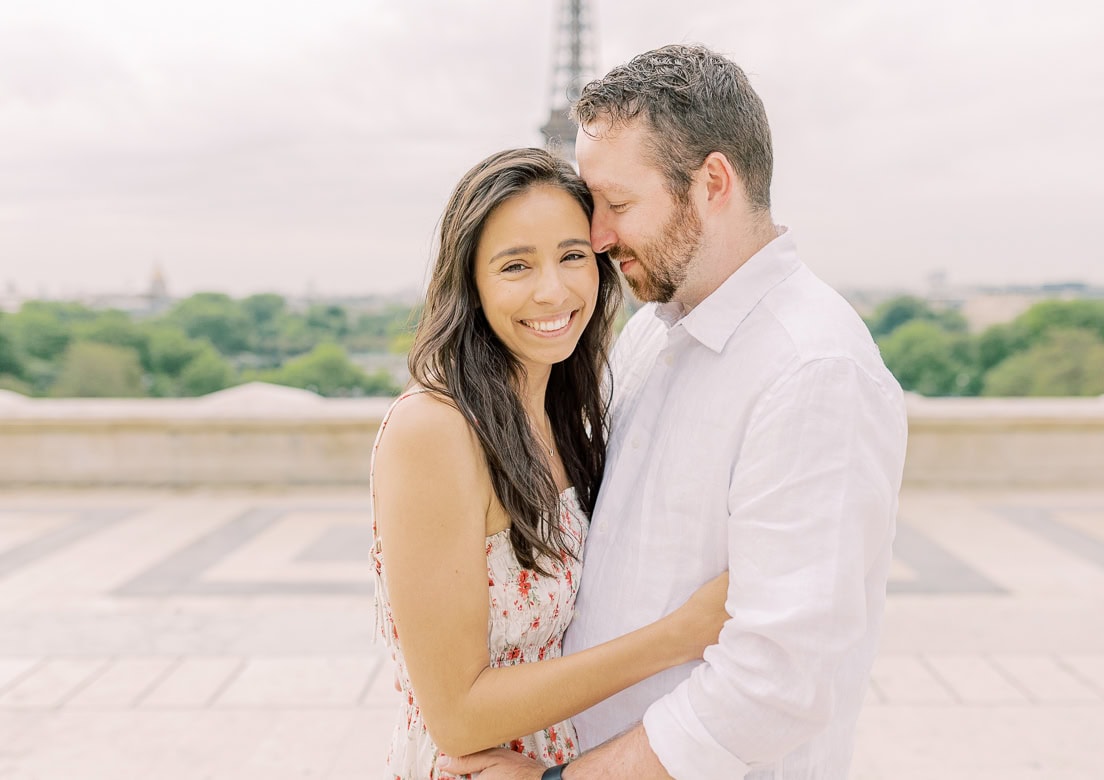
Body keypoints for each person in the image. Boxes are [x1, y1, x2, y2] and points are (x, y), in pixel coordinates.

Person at [441, 44, 908, 780]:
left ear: (712, 182)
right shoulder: (653, 334)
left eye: (619, 205)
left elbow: (777, 681)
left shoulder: (814, 371)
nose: (596, 237)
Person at [368, 147, 730, 779]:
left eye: (572, 256)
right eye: (515, 265)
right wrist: (680, 633)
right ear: (471, 283)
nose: (552, 290)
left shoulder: (563, 412)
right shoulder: (436, 430)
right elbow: (457, 714)